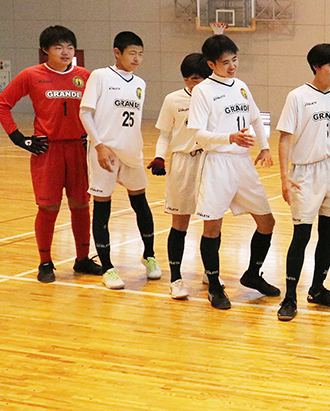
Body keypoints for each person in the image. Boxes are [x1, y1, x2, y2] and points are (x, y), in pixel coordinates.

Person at [0, 25, 102, 283]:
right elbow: (3, 103)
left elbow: (101, 109)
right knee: (48, 207)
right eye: (59, 47)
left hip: (78, 149)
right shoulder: (31, 75)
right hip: (48, 150)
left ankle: (82, 259)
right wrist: (18, 137)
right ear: (45, 50)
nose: (65, 52)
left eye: (70, 47)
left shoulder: (85, 76)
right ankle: (45, 262)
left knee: (81, 205)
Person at [187, 34, 279, 310]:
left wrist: (265, 147)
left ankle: (253, 274)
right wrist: (229, 137)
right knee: (212, 227)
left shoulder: (240, 86)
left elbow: (255, 117)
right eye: (225, 62)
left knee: (267, 222)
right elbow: (198, 133)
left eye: (235, 60)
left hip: (243, 163)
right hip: (217, 163)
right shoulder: (203, 91)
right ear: (211, 64)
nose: (232, 66)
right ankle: (214, 286)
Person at [275, 43, 330, 321]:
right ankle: (289, 297)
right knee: (302, 235)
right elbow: (285, 138)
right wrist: (284, 176)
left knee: (328, 233)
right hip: (305, 173)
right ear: (316, 66)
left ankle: (318, 289)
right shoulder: (297, 96)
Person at [79, 31, 159, 290]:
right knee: (103, 208)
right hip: (105, 153)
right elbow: (85, 113)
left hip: (132, 152)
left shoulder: (140, 83)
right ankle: (108, 267)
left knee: (141, 204)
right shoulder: (100, 76)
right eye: (132, 53)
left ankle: (149, 255)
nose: (137, 59)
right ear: (117, 52)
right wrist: (99, 145)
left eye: (141, 54)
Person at [147, 53, 212, 299]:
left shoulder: (214, 98)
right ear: (185, 79)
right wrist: (159, 156)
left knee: (212, 221)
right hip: (183, 162)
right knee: (180, 223)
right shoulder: (173, 100)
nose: (197, 84)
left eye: (202, 79)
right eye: (193, 79)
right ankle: (175, 279)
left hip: (209, 162)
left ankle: (210, 272)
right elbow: (164, 134)